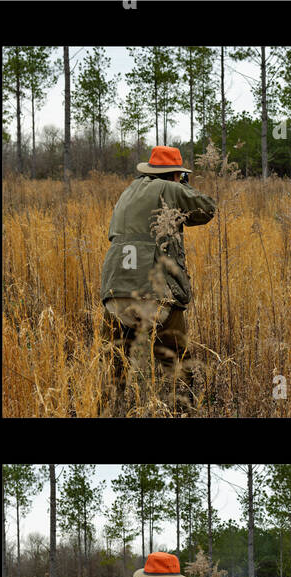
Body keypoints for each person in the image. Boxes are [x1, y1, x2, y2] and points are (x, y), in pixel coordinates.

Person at [100, 145, 216, 407]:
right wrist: (184, 186)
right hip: (153, 294)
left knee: (113, 366)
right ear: (175, 175)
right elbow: (207, 209)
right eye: (179, 175)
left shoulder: (127, 192)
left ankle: (107, 409)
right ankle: (181, 410)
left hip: (114, 293)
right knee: (177, 363)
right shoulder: (171, 189)